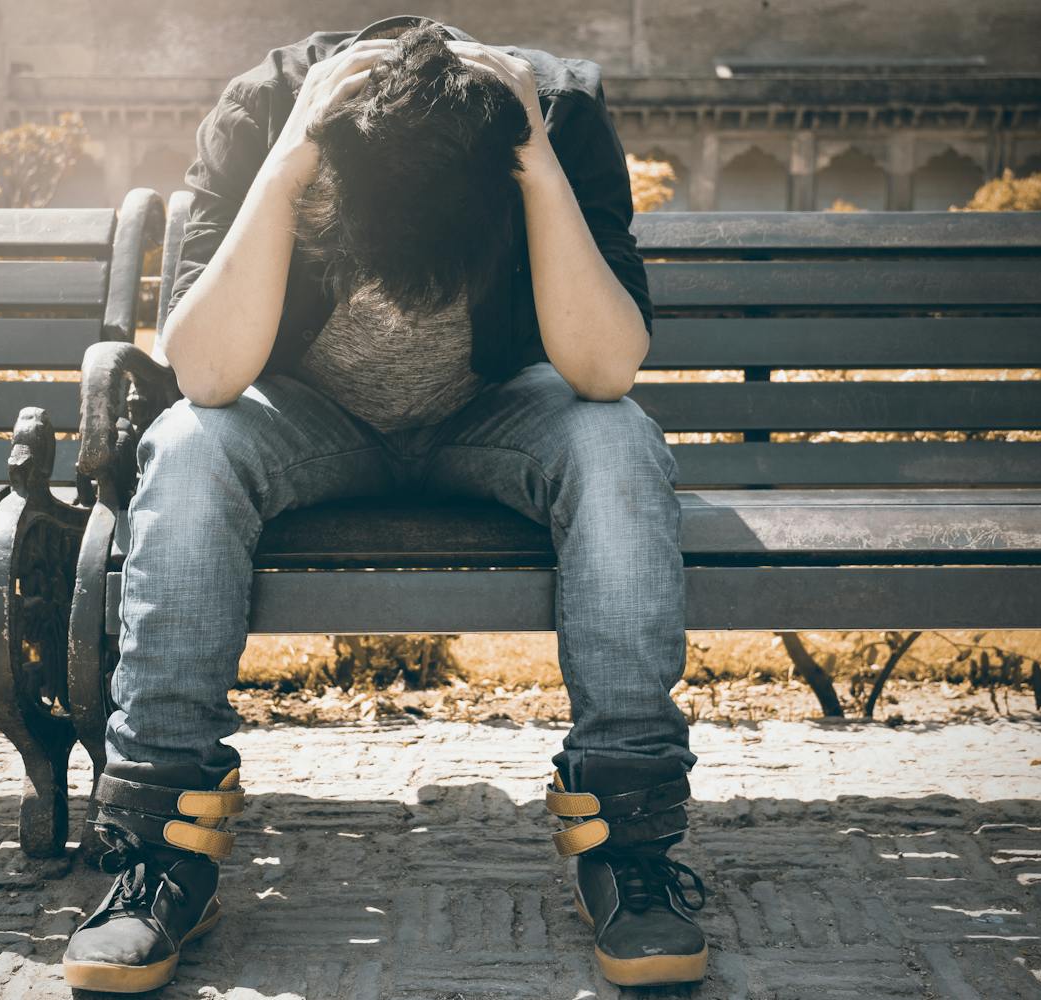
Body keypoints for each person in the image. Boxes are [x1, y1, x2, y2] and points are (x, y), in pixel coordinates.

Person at [61, 14, 706, 993]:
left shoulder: (558, 118)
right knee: (187, 447)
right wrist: (285, 168)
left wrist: (532, 166)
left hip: (495, 413)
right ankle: (159, 851)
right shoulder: (262, 113)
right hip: (309, 418)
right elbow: (204, 371)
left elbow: (606, 367)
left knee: (618, 442)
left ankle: (630, 842)